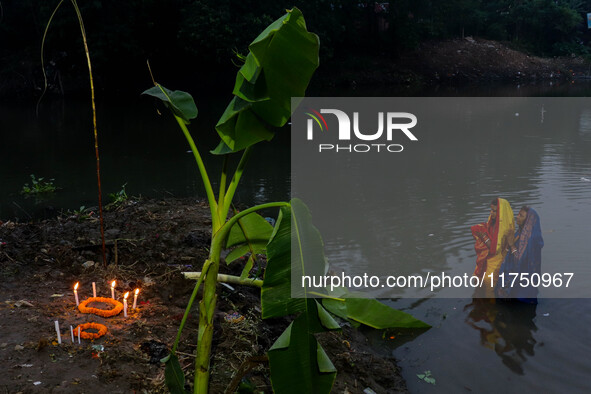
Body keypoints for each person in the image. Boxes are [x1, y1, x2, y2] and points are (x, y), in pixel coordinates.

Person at [496, 206, 544, 303]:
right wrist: (507, 243)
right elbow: (506, 253)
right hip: (514, 279)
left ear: (528, 221)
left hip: (524, 281)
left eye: (521, 216)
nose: (517, 217)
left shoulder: (531, 239)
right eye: (518, 214)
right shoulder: (519, 234)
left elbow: (519, 260)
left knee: (522, 307)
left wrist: (512, 245)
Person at [471, 198, 515, 296]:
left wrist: (483, 235)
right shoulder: (492, 222)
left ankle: (491, 309)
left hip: (498, 260)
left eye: (494, 211)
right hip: (488, 258)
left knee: (488, 284)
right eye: (491, 210)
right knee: (479, 281)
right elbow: (484, 231)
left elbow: (494, 249)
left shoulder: (507, 228)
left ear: (501, 212)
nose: (491, 213)